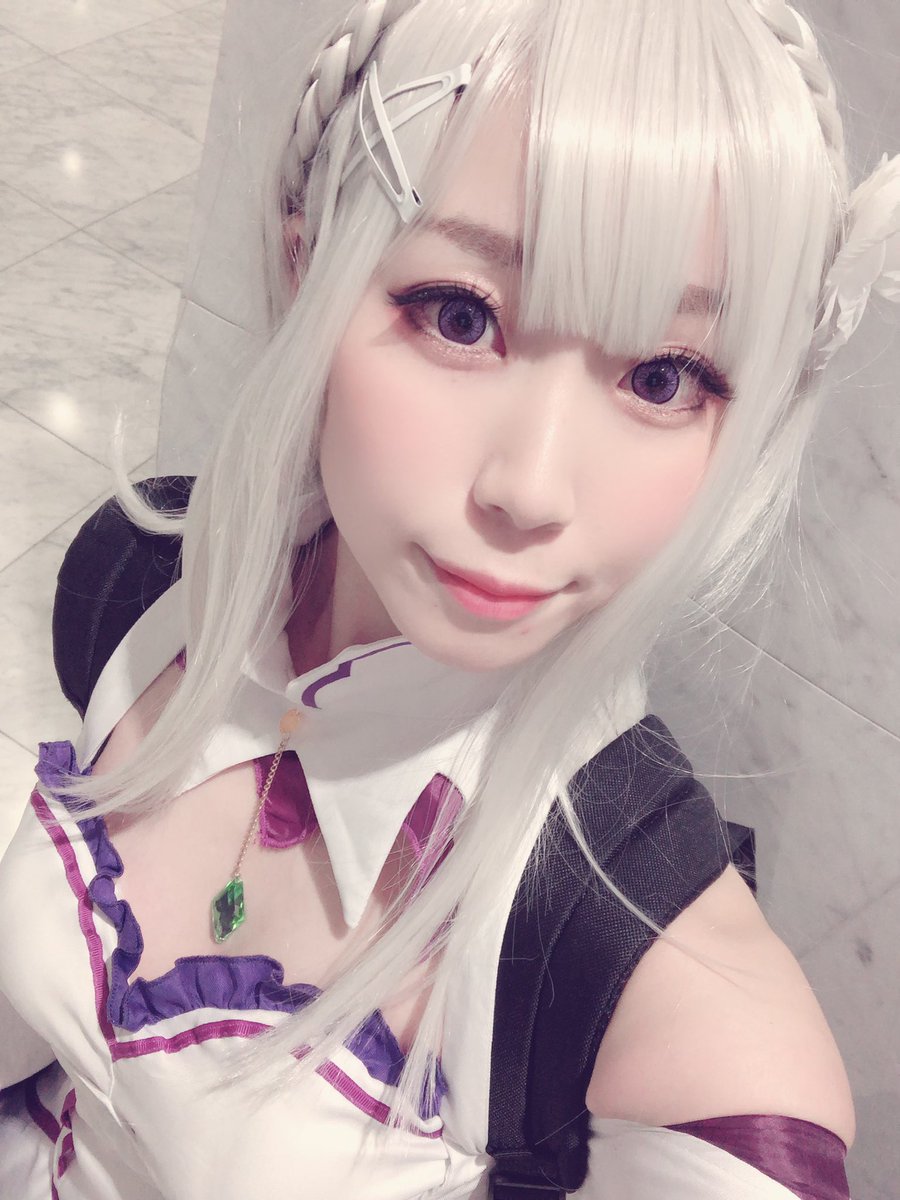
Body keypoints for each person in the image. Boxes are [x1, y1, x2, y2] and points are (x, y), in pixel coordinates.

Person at [1, 0, 898, 1195]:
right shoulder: (137, 579)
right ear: (307, 267)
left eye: (663, 377)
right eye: (462, 317)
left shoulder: (663, 990)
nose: (530, 487)